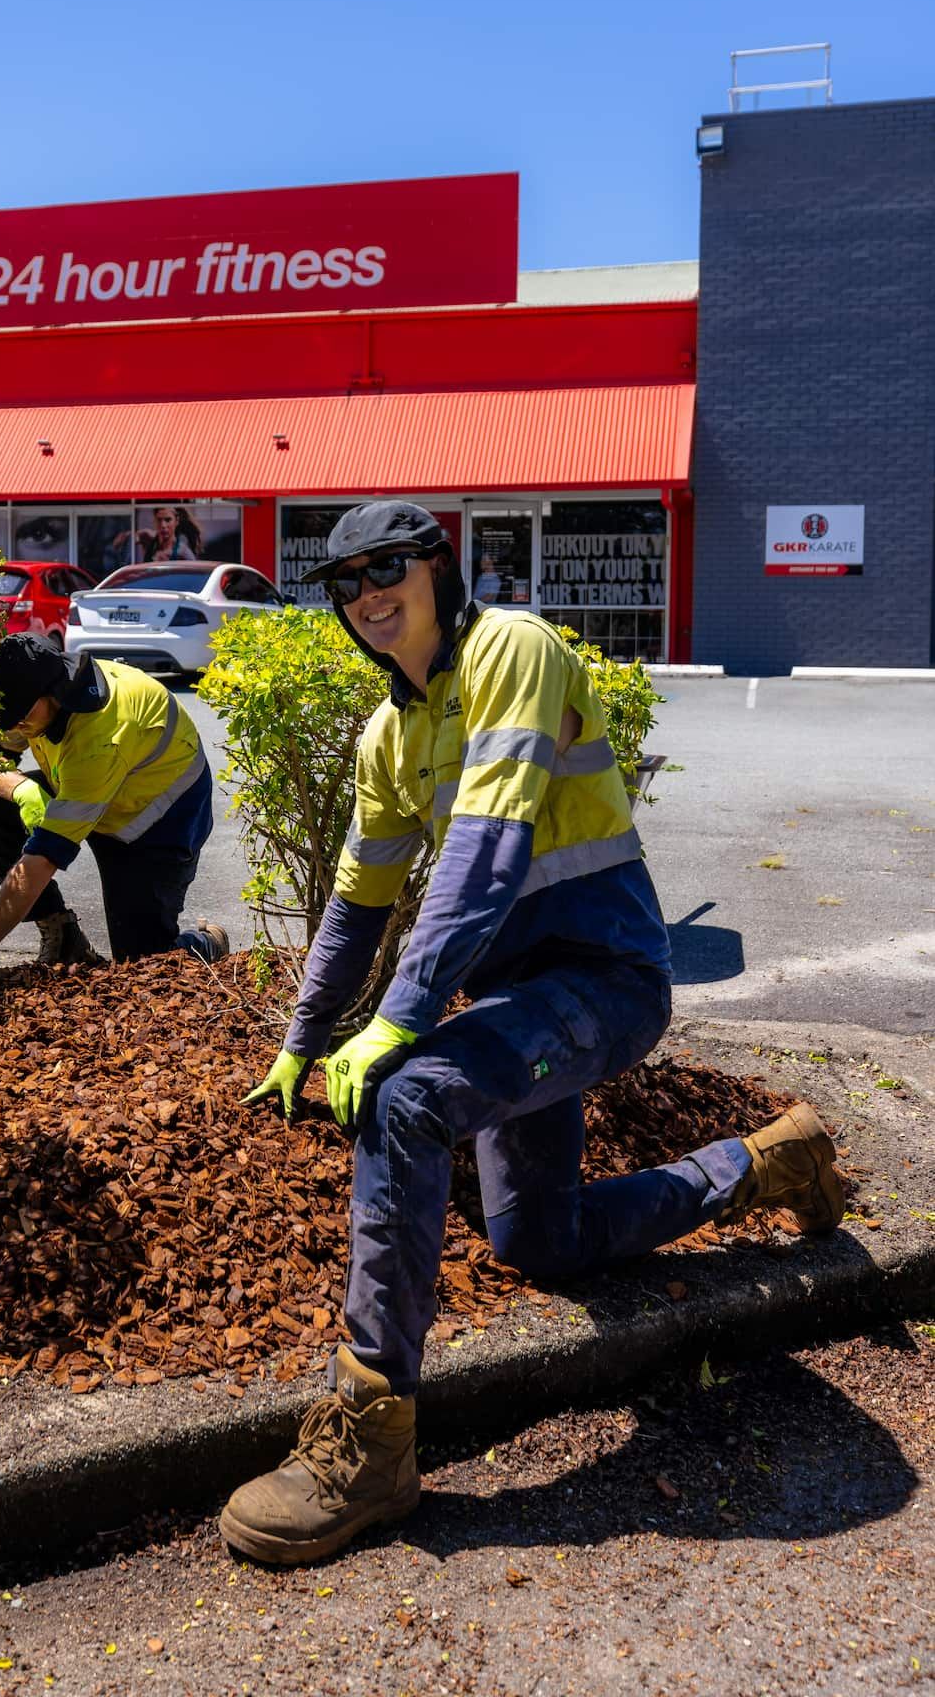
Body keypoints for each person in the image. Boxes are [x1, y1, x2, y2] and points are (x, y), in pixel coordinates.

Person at [222, 501, 842, 1566]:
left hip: (605, 982)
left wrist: (400, 1020)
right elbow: (358, 902)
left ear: (437, 567)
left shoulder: (510, 646)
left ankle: (370, 1444)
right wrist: (302, 1036)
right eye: (345, 582)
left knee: (407, 1094)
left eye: (388, 567)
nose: (368, 593)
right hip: (522, 1005)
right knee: (536, 1241)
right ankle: (766, 1160)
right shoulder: (387, 732)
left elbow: (485, 849)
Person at [0, 634, 228, 971]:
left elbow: (42, 860)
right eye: (8, 714)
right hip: (86, 785)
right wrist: (21, 790)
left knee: (142, 964)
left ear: (55, 694)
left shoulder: (102, 735)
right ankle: (62, 934)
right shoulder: (29, 701)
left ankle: (206, 942)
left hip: (156, 817)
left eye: (20, 714)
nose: (14, 725)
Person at [138, 503, 202, 562]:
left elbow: (196, 572)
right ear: (154, 521)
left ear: (176, 521)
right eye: (159, 520)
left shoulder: (183, 552)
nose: (163, 525)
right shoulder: (147, 539)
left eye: (168, 520)